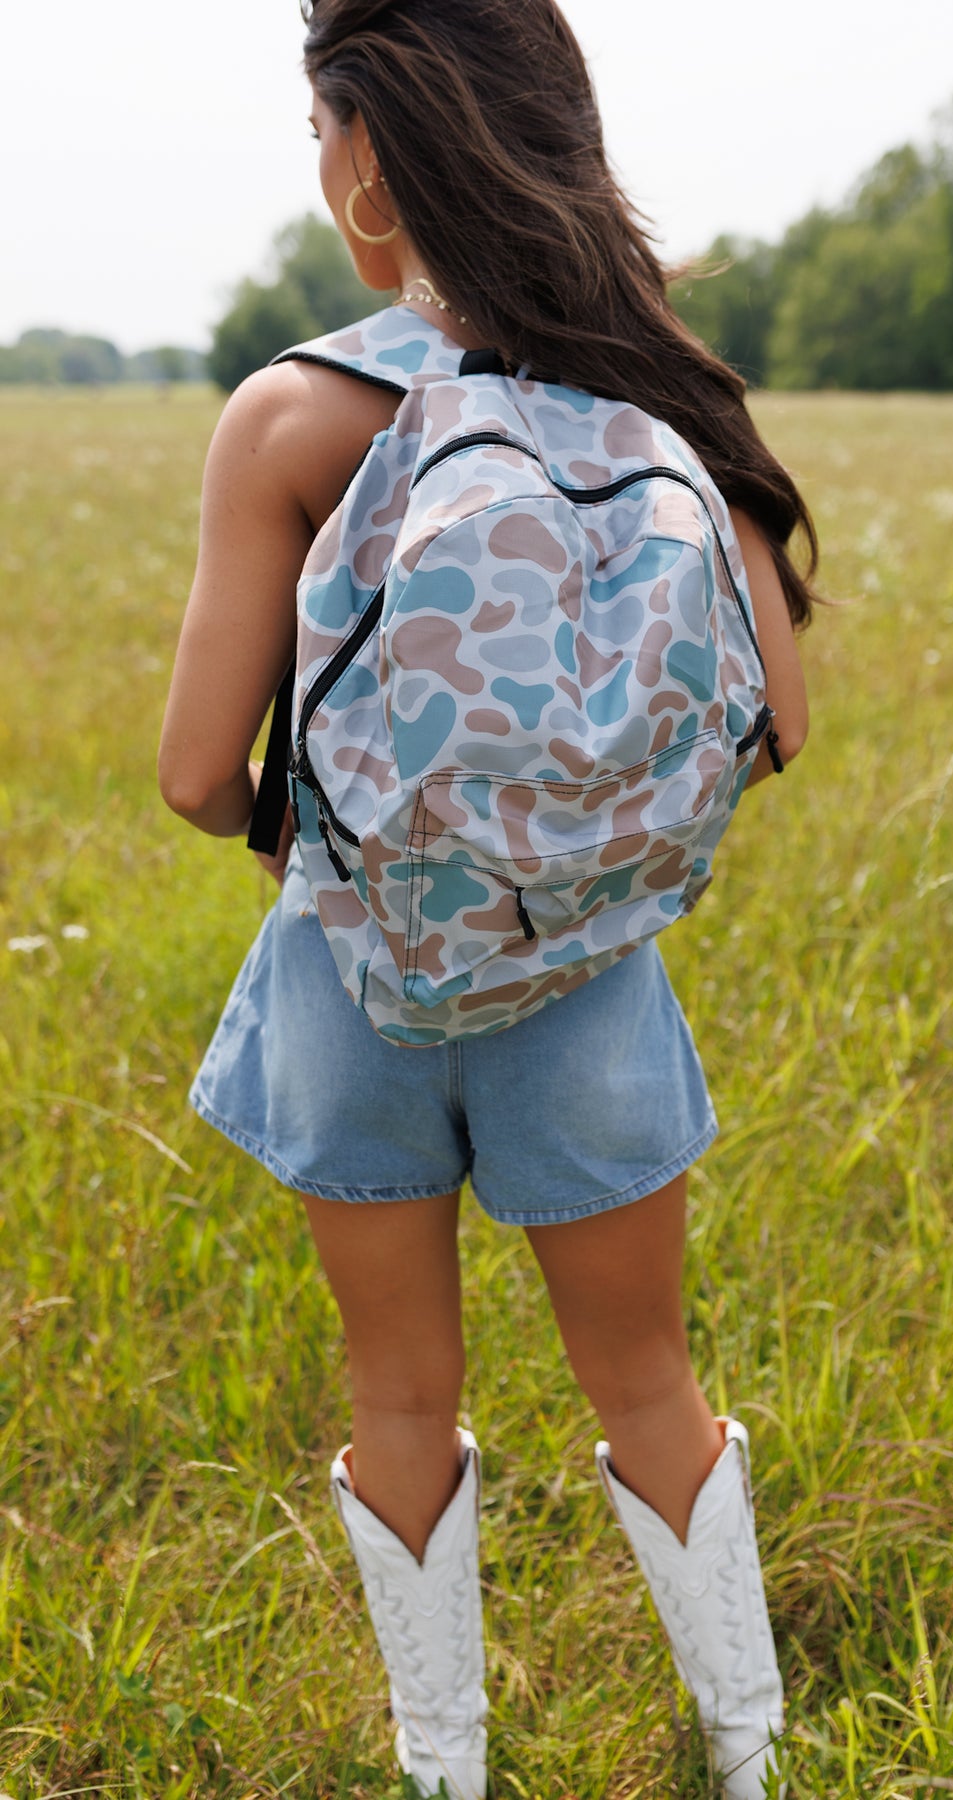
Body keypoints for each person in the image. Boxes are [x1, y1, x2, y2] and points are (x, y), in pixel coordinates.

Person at [158, 2, 817, 1795]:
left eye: (320, 127)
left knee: (399, 1398)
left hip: (354, 985)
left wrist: (358, 826)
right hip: (590, 991)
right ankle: (745, 1755)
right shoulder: (662, 401)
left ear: (368, 150)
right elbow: (781, 721)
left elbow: (199, 771)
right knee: (649, 1382)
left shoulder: (295, 417)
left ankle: (444, 1767)